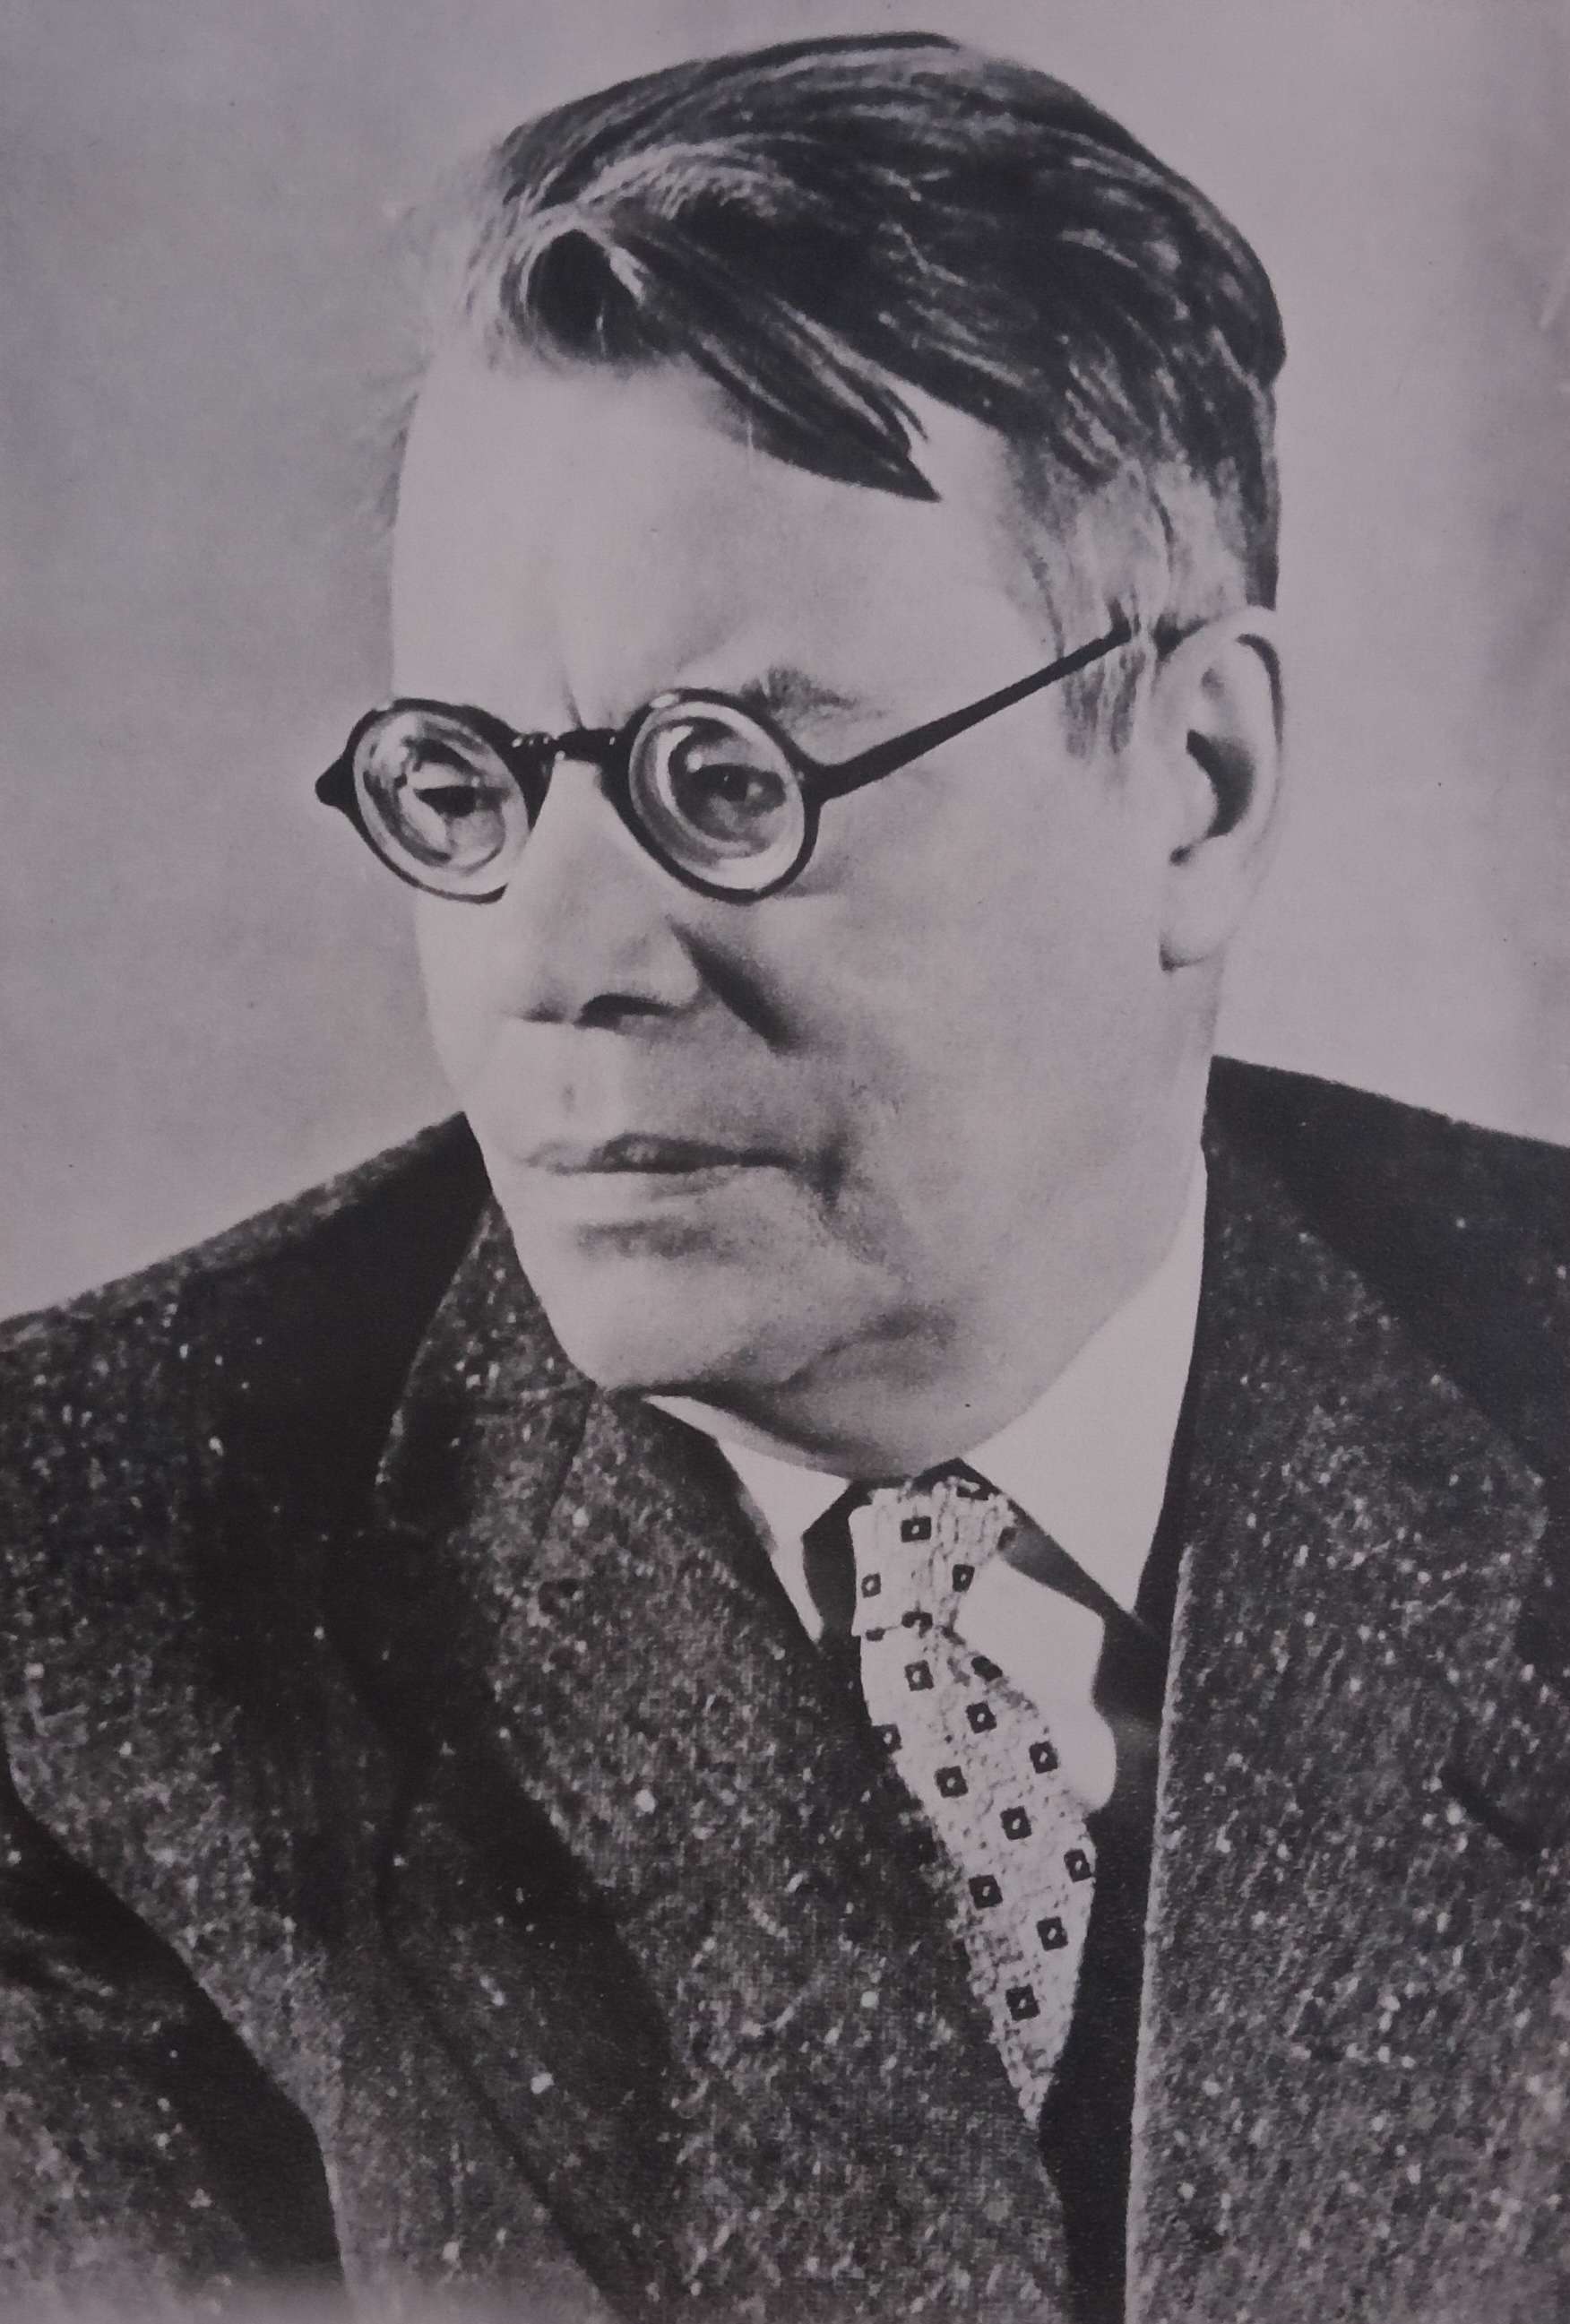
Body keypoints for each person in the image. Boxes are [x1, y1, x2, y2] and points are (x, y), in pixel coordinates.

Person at [2, 30, 1566, 2324]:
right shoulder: (76, 1622)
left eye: (727, 778)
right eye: (463, 786)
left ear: (1196, 783)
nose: (555, 957)